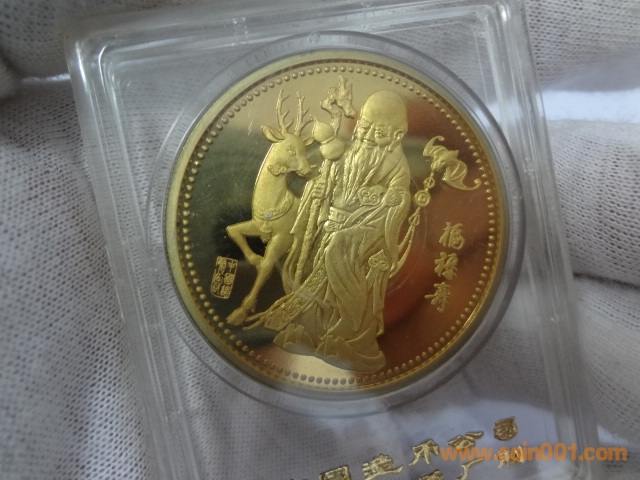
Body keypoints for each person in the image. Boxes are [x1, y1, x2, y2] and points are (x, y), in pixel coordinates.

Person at [258, 90, 411, 372]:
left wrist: (388, 198)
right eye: (364, 128)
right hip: (331, 223)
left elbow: (400, 198)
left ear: (397, 135)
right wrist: (318, 191)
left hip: (368, 230)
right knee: (322, 263)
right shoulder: (351, 154)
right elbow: (332, 184)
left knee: (338, 249)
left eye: (378, 133)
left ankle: (349, 330)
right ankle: (311, 331)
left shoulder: (398, 166)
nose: (367, 136)